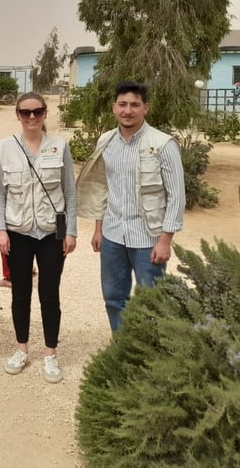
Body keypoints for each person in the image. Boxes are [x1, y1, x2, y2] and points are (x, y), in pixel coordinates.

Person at [77, 81, 185, 332]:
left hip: (148, 239)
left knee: (151, 302)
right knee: (114, 298)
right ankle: (122, 349)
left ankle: (147, 356)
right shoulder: (106, 142)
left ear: (145, 108)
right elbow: (103, 186)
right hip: (113, 235)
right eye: (123, 104)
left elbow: (176, 196)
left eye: (135, 105)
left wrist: (165, 240)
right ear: (114, 108)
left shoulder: (163, 144)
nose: (128, 110)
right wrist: (98, 228)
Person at [0, 92, 77, 383]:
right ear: (17, 115)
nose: (32, 117)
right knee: (20, 295)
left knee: (49, 294)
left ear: (45, 114)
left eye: (37, 112)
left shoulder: (59, 146)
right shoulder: (4, 147)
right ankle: (21, 349)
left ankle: (51, 354)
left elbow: (69, 192)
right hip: (18, 232)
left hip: (51, 233)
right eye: (26, 112)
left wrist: (71, 232)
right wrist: (0, 230)